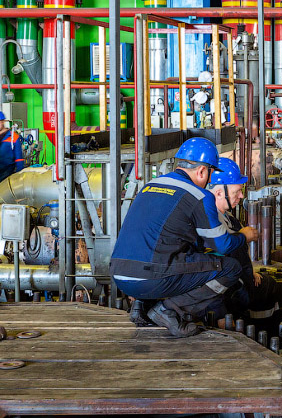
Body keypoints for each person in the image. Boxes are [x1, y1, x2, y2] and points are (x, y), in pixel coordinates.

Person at [111, 136, 259, 337]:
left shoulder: (149, 186)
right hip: (150, 278)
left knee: (180, 254)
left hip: (120, 275)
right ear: (201, 171)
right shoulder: (199, 195)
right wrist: (244, 235)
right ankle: (169, 311)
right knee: (229, 268)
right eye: (210, 173)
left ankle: (141, 307)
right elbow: (223, 246)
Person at [206, 158, 281, 323]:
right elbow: (217, 256)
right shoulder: (210, 220)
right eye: (237, 192)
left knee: (267, 285)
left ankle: (260, 333)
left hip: (236, 277)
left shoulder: (226, 216)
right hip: (225, 286)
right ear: (219, 192)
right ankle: (258, 334)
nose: (241, 196)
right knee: (268, 288)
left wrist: (250, 271)